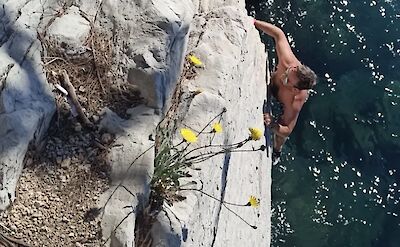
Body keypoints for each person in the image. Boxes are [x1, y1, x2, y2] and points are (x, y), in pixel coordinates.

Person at [254, 19, 317, 164]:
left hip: (282, 97)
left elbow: (287, 129)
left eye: (288, 79)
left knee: (281, 133)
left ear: (295, 89)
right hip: (272, 83)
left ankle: (277, 151)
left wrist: (273, 125)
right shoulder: (289, 62)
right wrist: (254, 22)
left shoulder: (294, 101)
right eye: (289, 71)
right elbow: (278, 34)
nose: (285, 75)